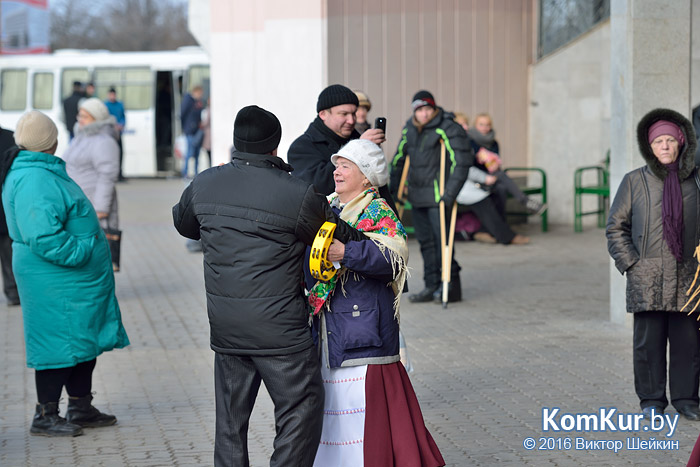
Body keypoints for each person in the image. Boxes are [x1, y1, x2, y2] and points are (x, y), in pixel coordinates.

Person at [172, 105, 368, 467]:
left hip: (228, 328)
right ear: (275, 146)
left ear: (235, 142)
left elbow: (184, 224)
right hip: (281, 333)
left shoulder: (204, 182)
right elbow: (344, 236)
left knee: (230, 425)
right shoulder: (296, 193)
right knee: (300, 409)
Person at [306, 139, 445, 467]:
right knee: (330, 409)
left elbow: (393, 259)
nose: (337, 171)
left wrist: (346, 252)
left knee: (360, 411)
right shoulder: (325, 205)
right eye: (337, 165)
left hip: (361, 329)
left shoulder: (378, 211)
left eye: (346, 166)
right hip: (328, 328)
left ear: (366, 178)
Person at [1, 111, 129, 437]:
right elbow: (42, 236)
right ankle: (45, 415)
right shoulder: (33, 177)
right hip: (56, 277)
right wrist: (83, 250)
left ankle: (80, 406)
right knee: (57, 346)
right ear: (52, 141)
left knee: (82, 341)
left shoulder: (39, 169)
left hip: (70, 280)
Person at [607, 108, 700, 421]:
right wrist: (632, 263)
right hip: (646, 276)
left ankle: (687, 399)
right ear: (649, 146)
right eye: (658, 141)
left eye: (669, 141)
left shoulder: (696, 180)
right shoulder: (634, 181)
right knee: (648, 344)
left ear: (681, 143)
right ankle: (651, 400)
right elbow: (616, 227)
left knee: (689, 342)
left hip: (689, 276)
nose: (664, 146)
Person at [390, 90, 471, 303]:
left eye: (427, 109)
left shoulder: (447, 127)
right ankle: (432, 285)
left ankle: (450, 287)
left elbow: (461, 161)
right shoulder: (410, 129)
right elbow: (399, 159)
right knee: (425, 243)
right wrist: (394, 192)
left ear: (433, 109)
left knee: (443, 242)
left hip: (439, 197)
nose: (424, 114)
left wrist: (450, 193)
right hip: (417, 196)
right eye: (419, 110)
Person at [288, 84, 386, 197]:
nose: (351, 120)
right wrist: (359, 149)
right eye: (343, 114)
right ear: (323, 114)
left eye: (353, 113)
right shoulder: (301, 147)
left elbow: (380, 185)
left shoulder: (357, 139)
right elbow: (318, 187)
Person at [62, 98, 121, 271]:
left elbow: (108, 175)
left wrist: (101, 209)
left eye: (85, 116)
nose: (80, 119)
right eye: (80, 115)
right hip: (79, 205)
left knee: (97, 256)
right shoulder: (81, 137)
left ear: (97, 118)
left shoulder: (104, 141)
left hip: (94, 208)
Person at [467, 112, 546, 216]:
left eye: (487, 125)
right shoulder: (470, 141)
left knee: (501, 189)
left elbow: (495, 162)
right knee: (501, 175)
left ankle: (501, 225)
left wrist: (493, 164)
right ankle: (525, 201)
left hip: (493, 176)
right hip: (477, 178)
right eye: (481, 124)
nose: (485, 128)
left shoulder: (494, 143)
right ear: (475, 125)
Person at [0, 125, 19, 306]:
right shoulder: (9, 136)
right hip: (5, 205)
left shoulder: (9, 137)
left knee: (8, 250)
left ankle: (14, 292)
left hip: (4, 206)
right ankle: (13, 292)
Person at [180, 85, 204, 178]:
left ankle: (195, 172)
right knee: (189, 152)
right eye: (200, 94)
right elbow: (182, 114)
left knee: (196, 152)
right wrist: (185, 127)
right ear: (196, 92)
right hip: (190, 130)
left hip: (196, 130)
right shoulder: (188, 100)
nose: (201, 96)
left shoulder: (197, 102)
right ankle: (185, 172)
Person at [104, 87, 126, 181]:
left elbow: (123, 117)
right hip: (109, 134)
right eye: (111, 94)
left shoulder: (120, 104)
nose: (112, 96)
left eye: (114, 94)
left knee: (120, 153)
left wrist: (121, 124)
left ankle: (119, 173)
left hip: (118, 133)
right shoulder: (105, 105)